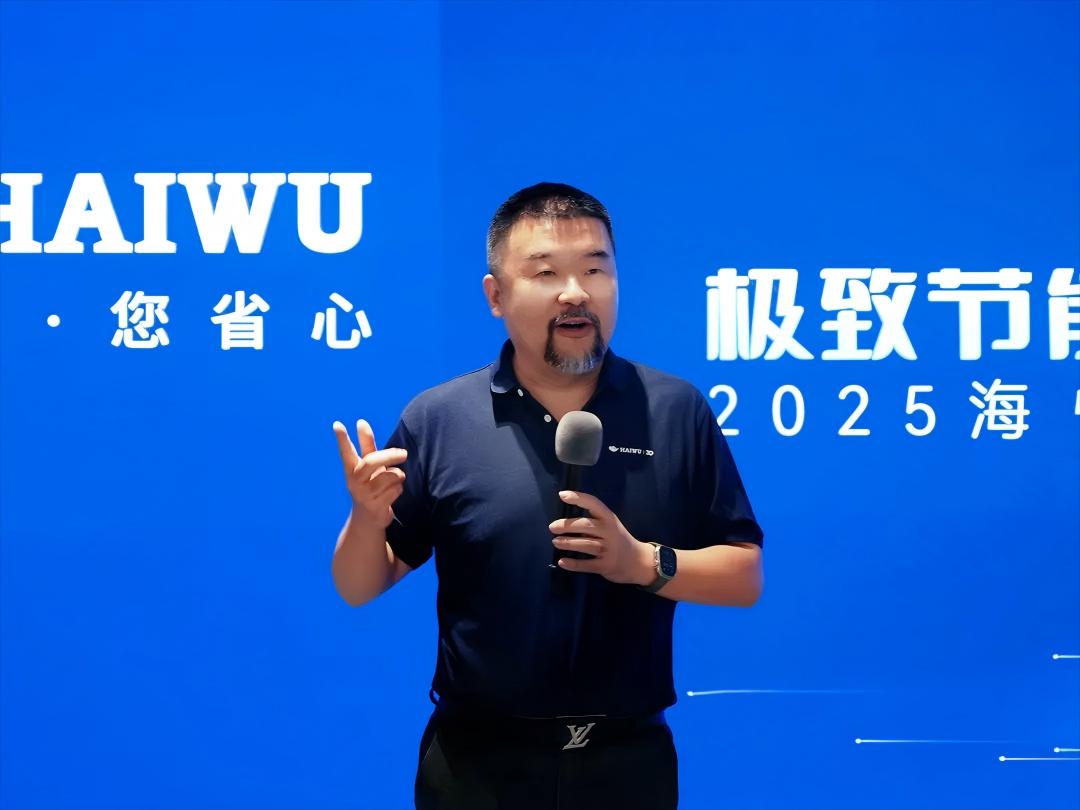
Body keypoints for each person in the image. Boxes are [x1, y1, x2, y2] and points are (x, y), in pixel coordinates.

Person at [330, 183, 764, 810]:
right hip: (476, 768)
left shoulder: (675, 410)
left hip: (626, 766)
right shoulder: (439, 419)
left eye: (595, 269)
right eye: (546, 273)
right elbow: (357, 585)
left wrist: (641, 562)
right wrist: (366, 519)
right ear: (496, 296)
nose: (575, 292)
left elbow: (744, 576)